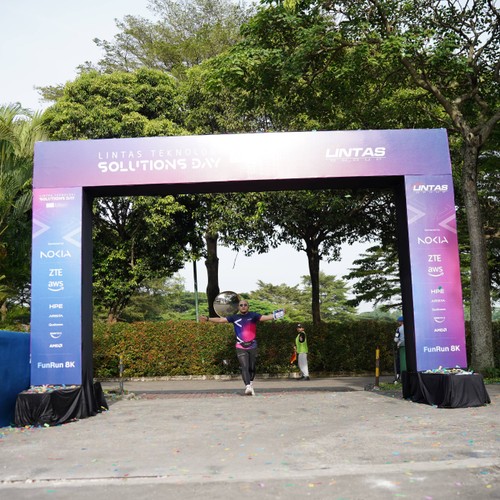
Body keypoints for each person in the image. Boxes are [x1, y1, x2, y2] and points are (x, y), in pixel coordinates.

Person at [200, 300, 285, 396]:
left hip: (252, 345)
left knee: (252, 367)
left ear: (248, 306)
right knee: (244, 366)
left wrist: (280, 313)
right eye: (241, 305)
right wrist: (207, 318)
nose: (243, 306)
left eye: (245, 305)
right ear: (238, 307)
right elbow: (220, 320)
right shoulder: (234, 317)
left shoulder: (253, 315)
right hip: (240, 345)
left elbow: (267, 317)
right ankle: (247, 386)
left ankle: (250, 383)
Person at [393, 315, 406, 382]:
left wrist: (396, 341)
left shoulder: (399, 329)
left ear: (401, 322)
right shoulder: (411, 327)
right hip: (410, 347)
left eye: (399, 321)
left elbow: (396, 339)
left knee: (399, 361)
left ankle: (398, 375)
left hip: (401, 347)